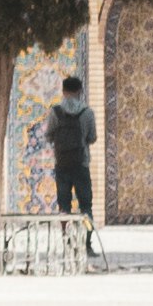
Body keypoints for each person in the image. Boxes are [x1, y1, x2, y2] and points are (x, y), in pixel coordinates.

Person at [43, 75, 97, 217]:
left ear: (63, 91)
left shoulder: (56, 112)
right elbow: (92, 138)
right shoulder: (88, 112)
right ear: (80, 91)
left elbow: (48, 135)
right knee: (86, 206)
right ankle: (86, 238)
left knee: (64, 206)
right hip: (81, 163)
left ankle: (65, 237)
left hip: (62, 163)